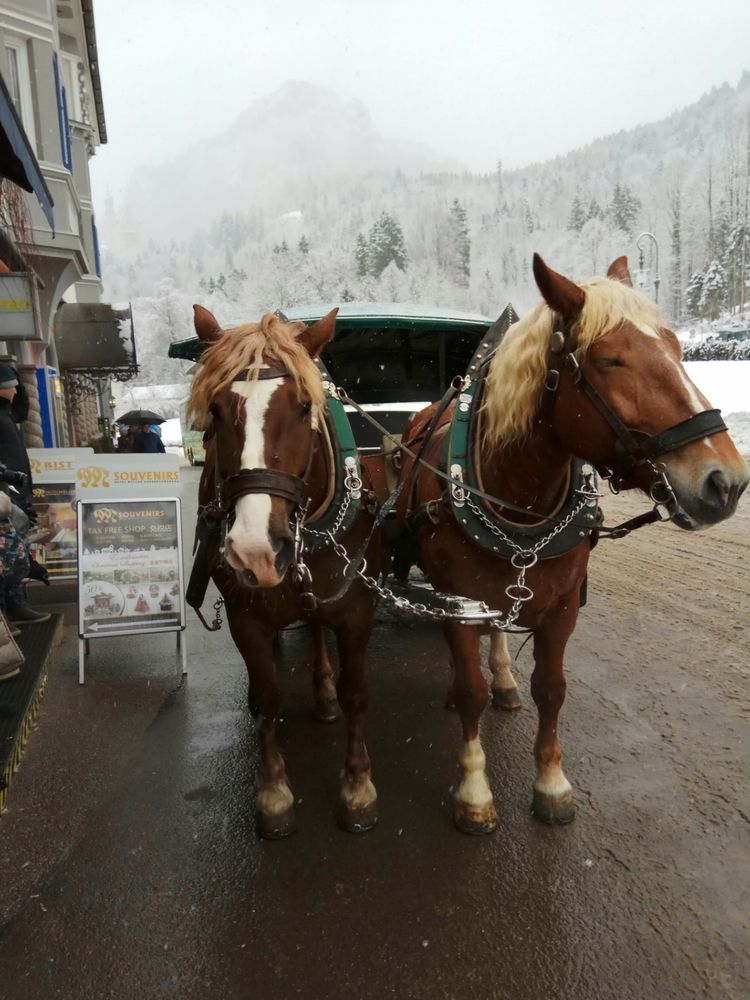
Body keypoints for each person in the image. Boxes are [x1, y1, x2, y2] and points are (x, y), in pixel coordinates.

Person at [0, 363, 51, 627]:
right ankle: (9, 612)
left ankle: (16, 606)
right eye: (11, 386)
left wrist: (17, 376)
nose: (16, 389)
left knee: (14, 552)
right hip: (5, 494)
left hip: (14, 491)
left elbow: (22, 412)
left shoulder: (6, 412)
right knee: (7, 556)